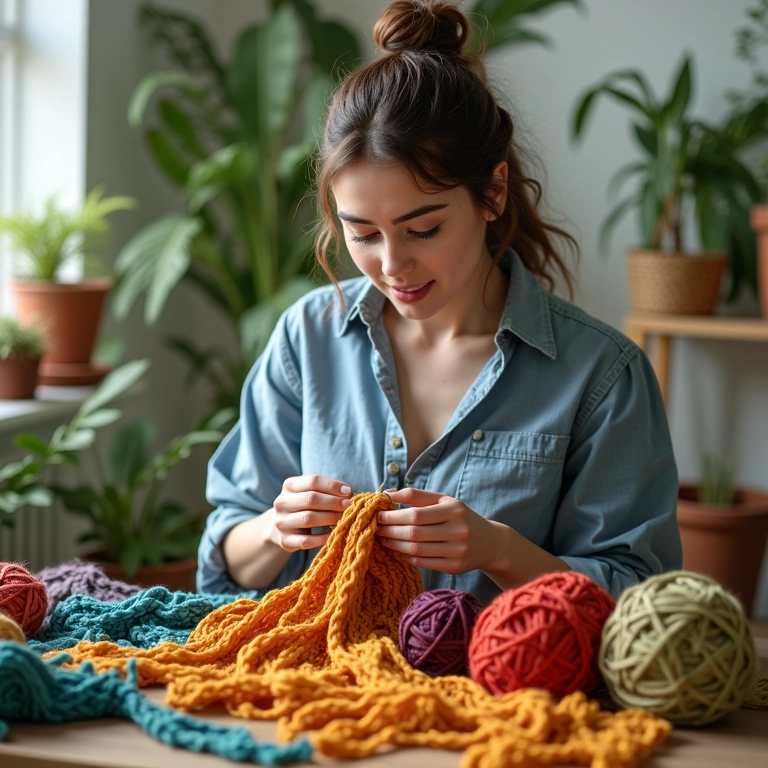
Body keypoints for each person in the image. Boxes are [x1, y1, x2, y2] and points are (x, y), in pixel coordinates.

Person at [197, 0, 681, 603]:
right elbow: (225, 560)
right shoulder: (307, 337)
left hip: (503, 695)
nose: (392, 266)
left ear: (493, 193)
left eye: (423, 230)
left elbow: (642, 599)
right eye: (363, 234)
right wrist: (276, 528)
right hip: (316, 690)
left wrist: (500, 551)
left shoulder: (601, 376)